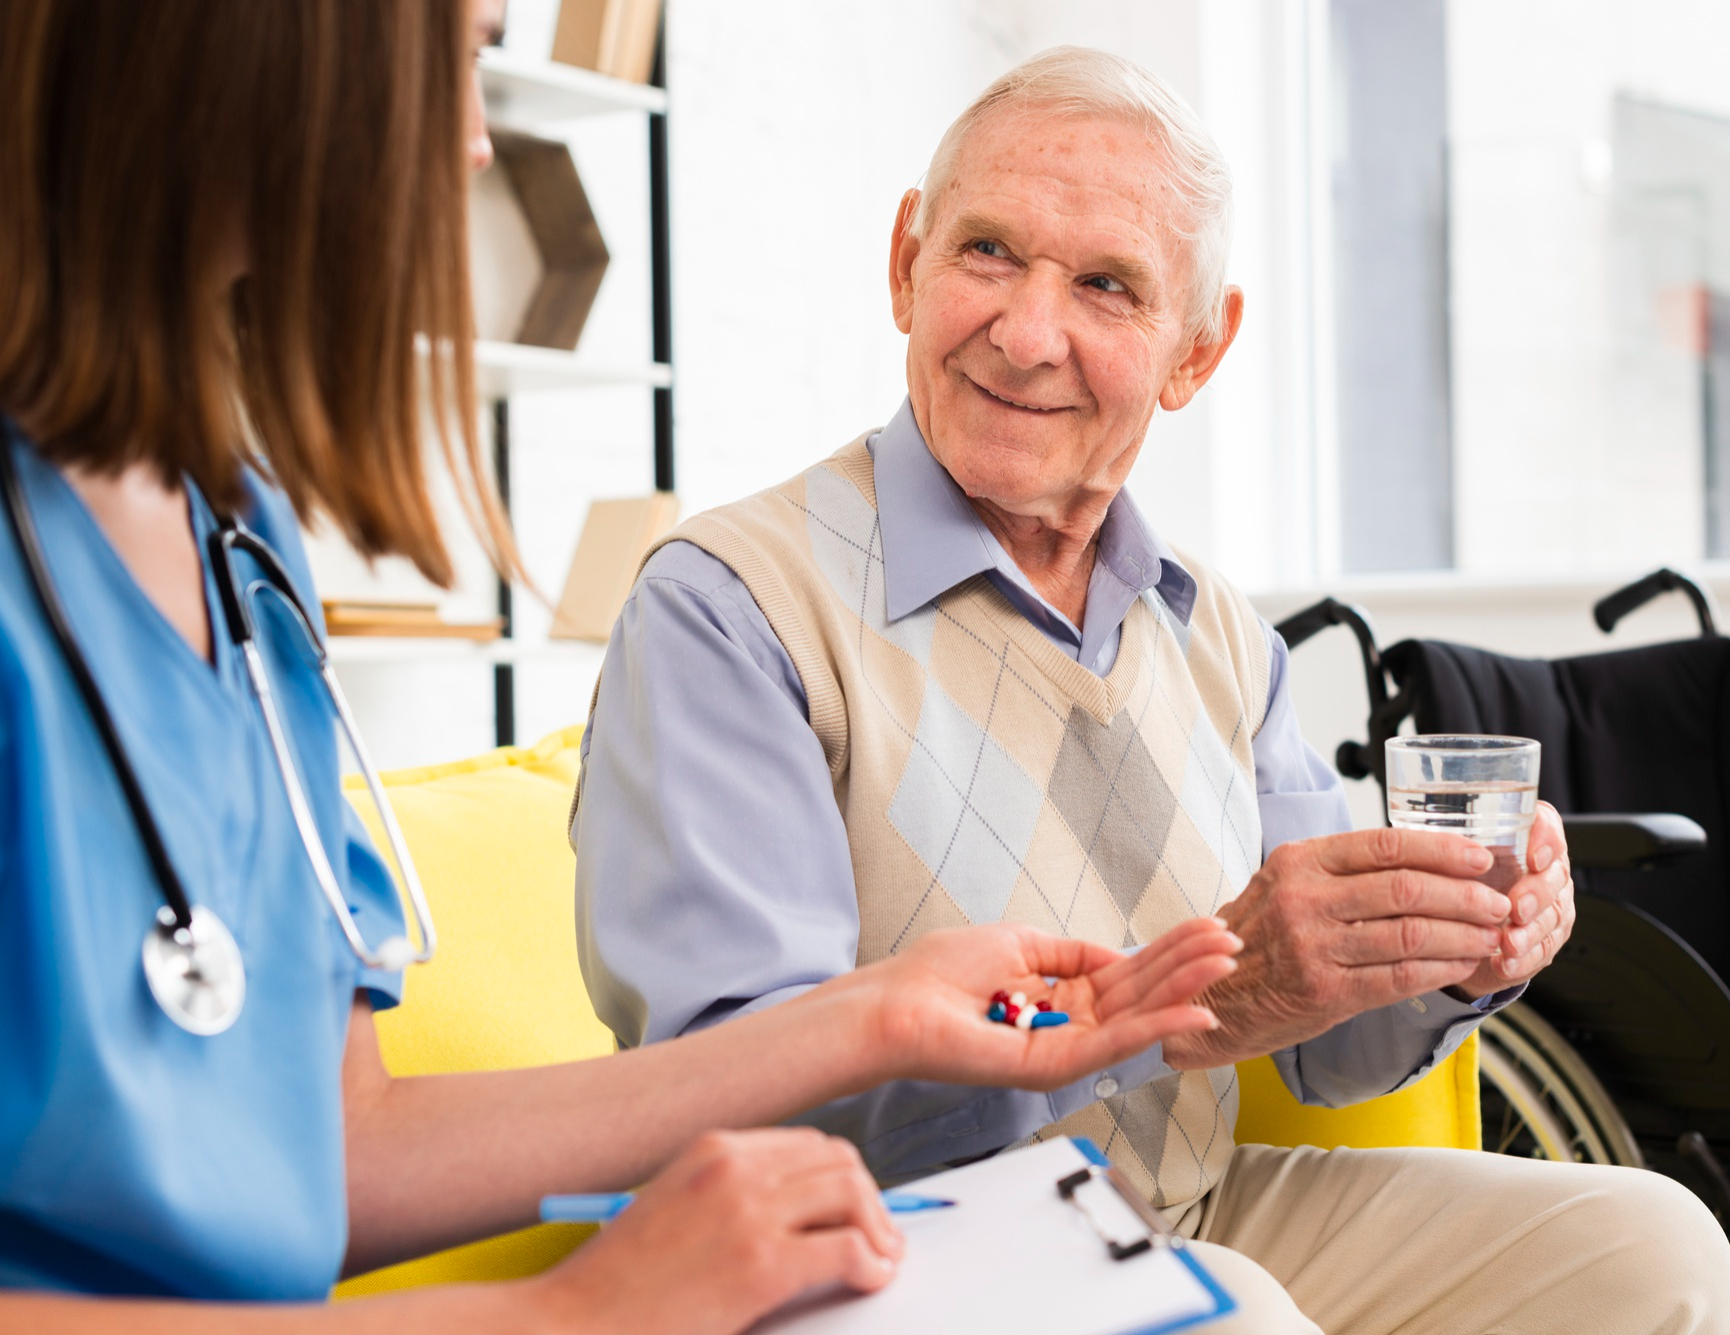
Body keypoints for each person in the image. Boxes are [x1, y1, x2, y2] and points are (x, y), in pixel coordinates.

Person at [0, 5, 1247, 1330]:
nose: (478, 142)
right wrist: (563, 1316)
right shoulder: (736, 597)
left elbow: (337, 1144)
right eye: (464, 58)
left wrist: (871, 1018)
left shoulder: (233, 529)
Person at [572, 45, 1730, 1333]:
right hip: (874, 1242)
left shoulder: (1220, 636)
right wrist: (1161, 1009)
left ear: (1197, 348)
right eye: (986, 253)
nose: (1026, 332)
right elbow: (735, 1099)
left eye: (1107, 286)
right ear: (907, 261)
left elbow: (1321, 1041)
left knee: (1655, 1247)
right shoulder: (731, 603)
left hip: (1176, 1207)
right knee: (1230, 1310)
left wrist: (1455, 959)